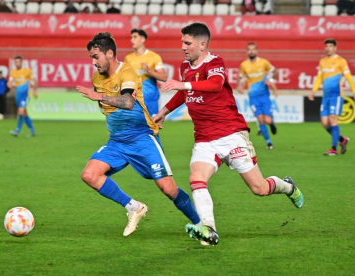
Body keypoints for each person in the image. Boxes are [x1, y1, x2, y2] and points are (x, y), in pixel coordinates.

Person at [154, 23, 304, 246]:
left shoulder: (215, 62)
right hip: (204, 138)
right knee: (196, 178)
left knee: (259, 189)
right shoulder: (185, 66)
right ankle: (209, 229)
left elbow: (215, 85)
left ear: (202, 44)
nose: (183, 47)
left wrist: (182, 84)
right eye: (182, 42)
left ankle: (287, 186)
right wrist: (163, 112)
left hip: (231, 134)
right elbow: (185, 94)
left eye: (187, 43)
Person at [75, 32, 201, 238]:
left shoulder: (128, 72)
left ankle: (201, 224)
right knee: (89, 175)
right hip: (117, 141)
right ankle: (134, 207)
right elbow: (107, 107)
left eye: (96, 57)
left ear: (109, 53)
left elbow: (128, 102)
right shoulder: (97, 78)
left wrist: (98, 96)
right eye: (91, 58)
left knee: (168, 189)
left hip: (142, 138)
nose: (94, 62)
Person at [309, 39, 355, 156]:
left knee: (333, 119)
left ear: (335, 48)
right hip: (326, 97)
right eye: (326, 46)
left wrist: (354, 91)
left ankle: (334, 149)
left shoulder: (341, 61)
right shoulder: (322, 61)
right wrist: (313, 91)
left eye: (330, 46)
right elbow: (319, 78)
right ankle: (342, 140)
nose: (328, 48)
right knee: (325, 123)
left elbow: (349, 77)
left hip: (336, 95)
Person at [236, 42, 278, 150]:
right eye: (249, 49)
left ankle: (272, 124)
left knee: (267, 120)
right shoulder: (244, 65)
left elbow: (274, 71)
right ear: (247, 52)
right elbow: (241, 77)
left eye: (253, 49)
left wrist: (271, 80)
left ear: (257, 51)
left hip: (264, 95)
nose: (251, 51)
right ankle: (269, 142)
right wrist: (239, 86)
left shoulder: (264, 62)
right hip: (253, 96)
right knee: (260, 120)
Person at [124, 29, 168, 117]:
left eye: (135, 37)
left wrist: (148, 70)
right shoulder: (128, 58)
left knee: (152, 127)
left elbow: (164, 77)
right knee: (135, 128)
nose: (131, 40)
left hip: (150, 98)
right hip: (134, 99)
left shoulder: (154, 57)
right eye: (131, 37)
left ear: (143, 39)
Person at [7, 56, 38, 137]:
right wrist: (9, 84)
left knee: (20, 111)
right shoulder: (13, 72)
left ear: (22, 62)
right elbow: (10, 81)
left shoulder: (27, 71)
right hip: (18, 95)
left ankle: (17, 131)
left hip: (25, 95)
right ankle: (32, 131)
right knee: (24, 114)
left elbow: (35, 80)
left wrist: (35, 91)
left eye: (19, 62)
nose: (17, 63)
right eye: (16, 62)